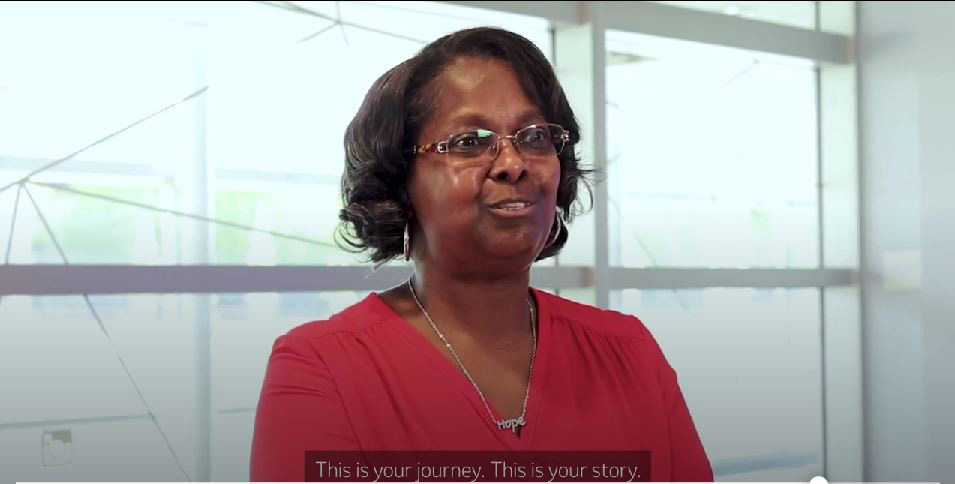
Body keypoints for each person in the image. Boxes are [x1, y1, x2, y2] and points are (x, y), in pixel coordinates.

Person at [250, 27, 712, 482]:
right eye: (469, 142)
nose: (513, 164)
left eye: (535, 137)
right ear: (399, 179)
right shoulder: (323, 367)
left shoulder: (628, 351)